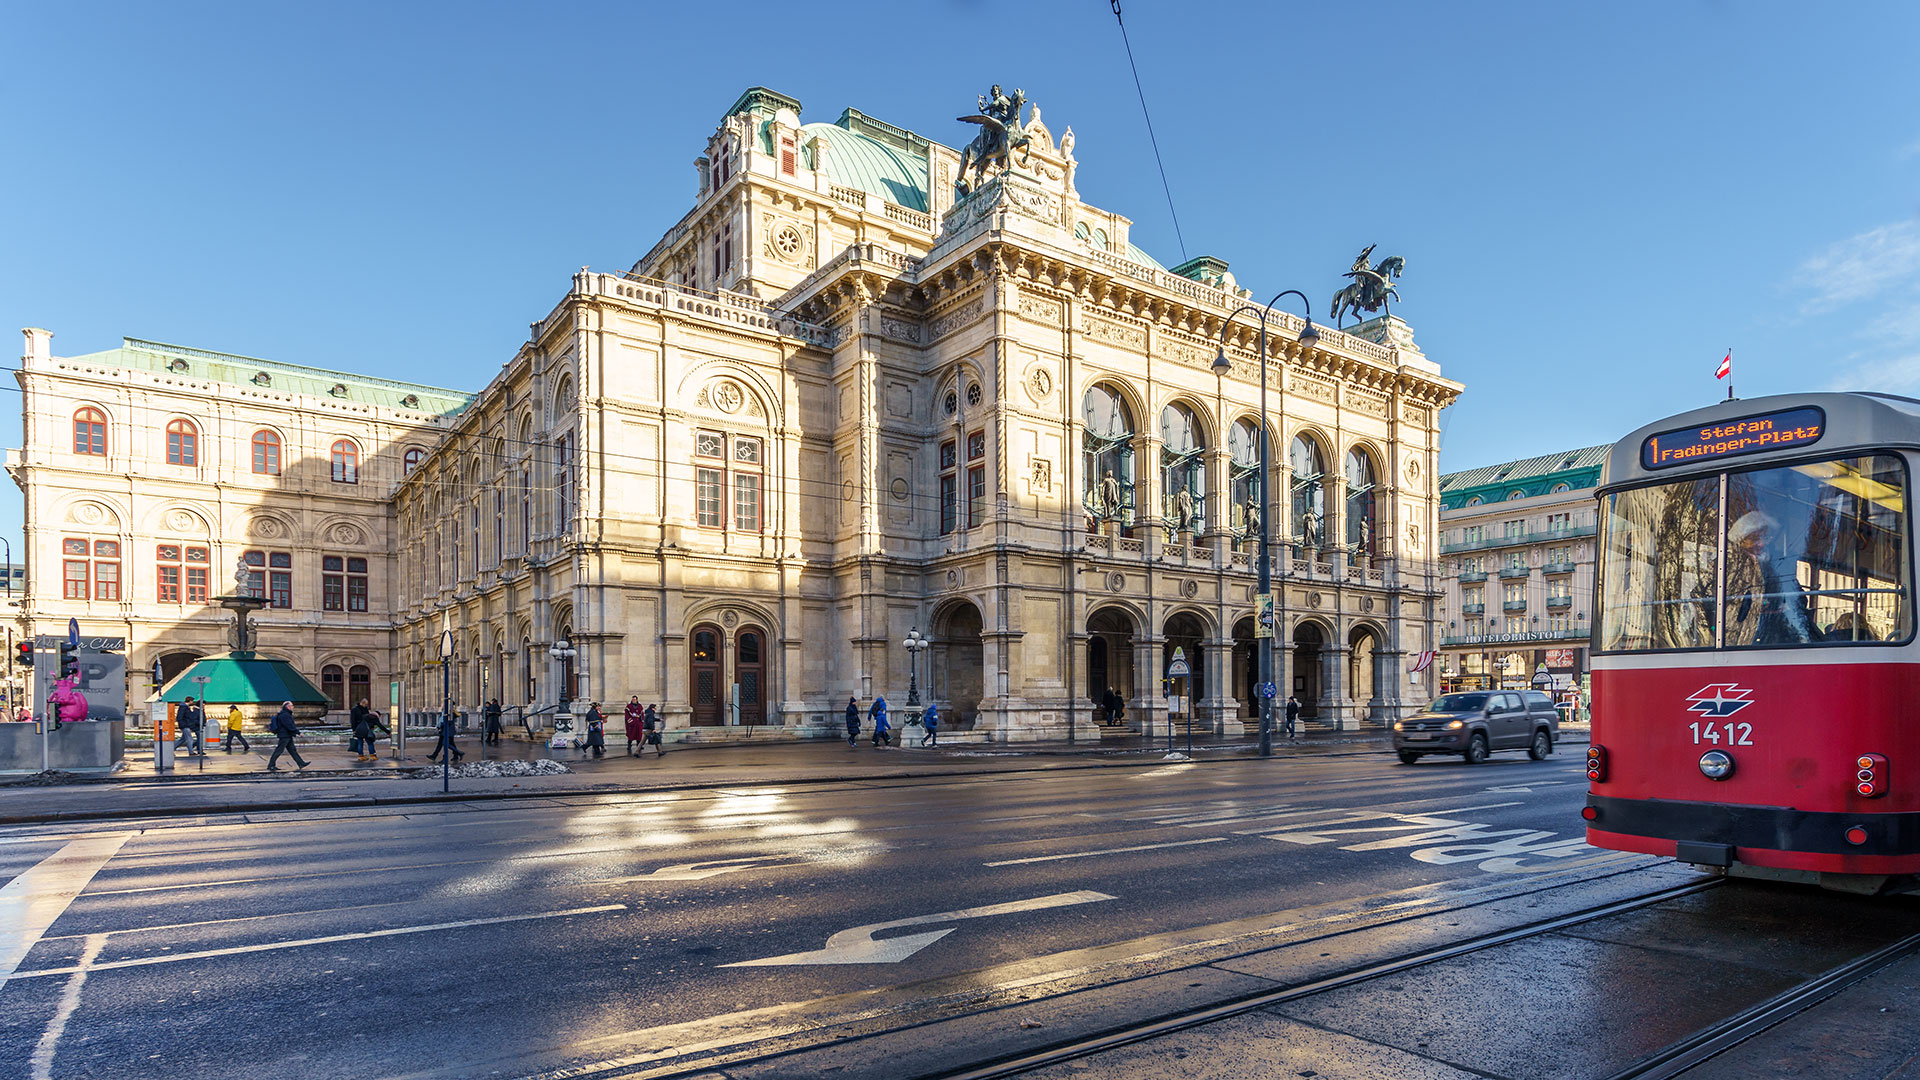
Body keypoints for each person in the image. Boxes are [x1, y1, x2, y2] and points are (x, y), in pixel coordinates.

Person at [1725, 510, 1813, 646]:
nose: (1761, 544)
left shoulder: (1775, 565)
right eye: (1754, 539)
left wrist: (1784, 606)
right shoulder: (1727, 567)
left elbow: (1799, 598)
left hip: (1775, 637)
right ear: (1741, 541)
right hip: (1739, 641)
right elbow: (1713, 604)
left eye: (1765, 538)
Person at [266, 701, 308, 771]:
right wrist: (298, 732)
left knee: (292, 750)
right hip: (284, 735)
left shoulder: (285, 714)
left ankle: (301, 763)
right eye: (291, 706)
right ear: (287, 707)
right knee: (279, 750)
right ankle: (271, 765)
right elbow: (289, 725)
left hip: (287, 734)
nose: (292, 707)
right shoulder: (285, 715)